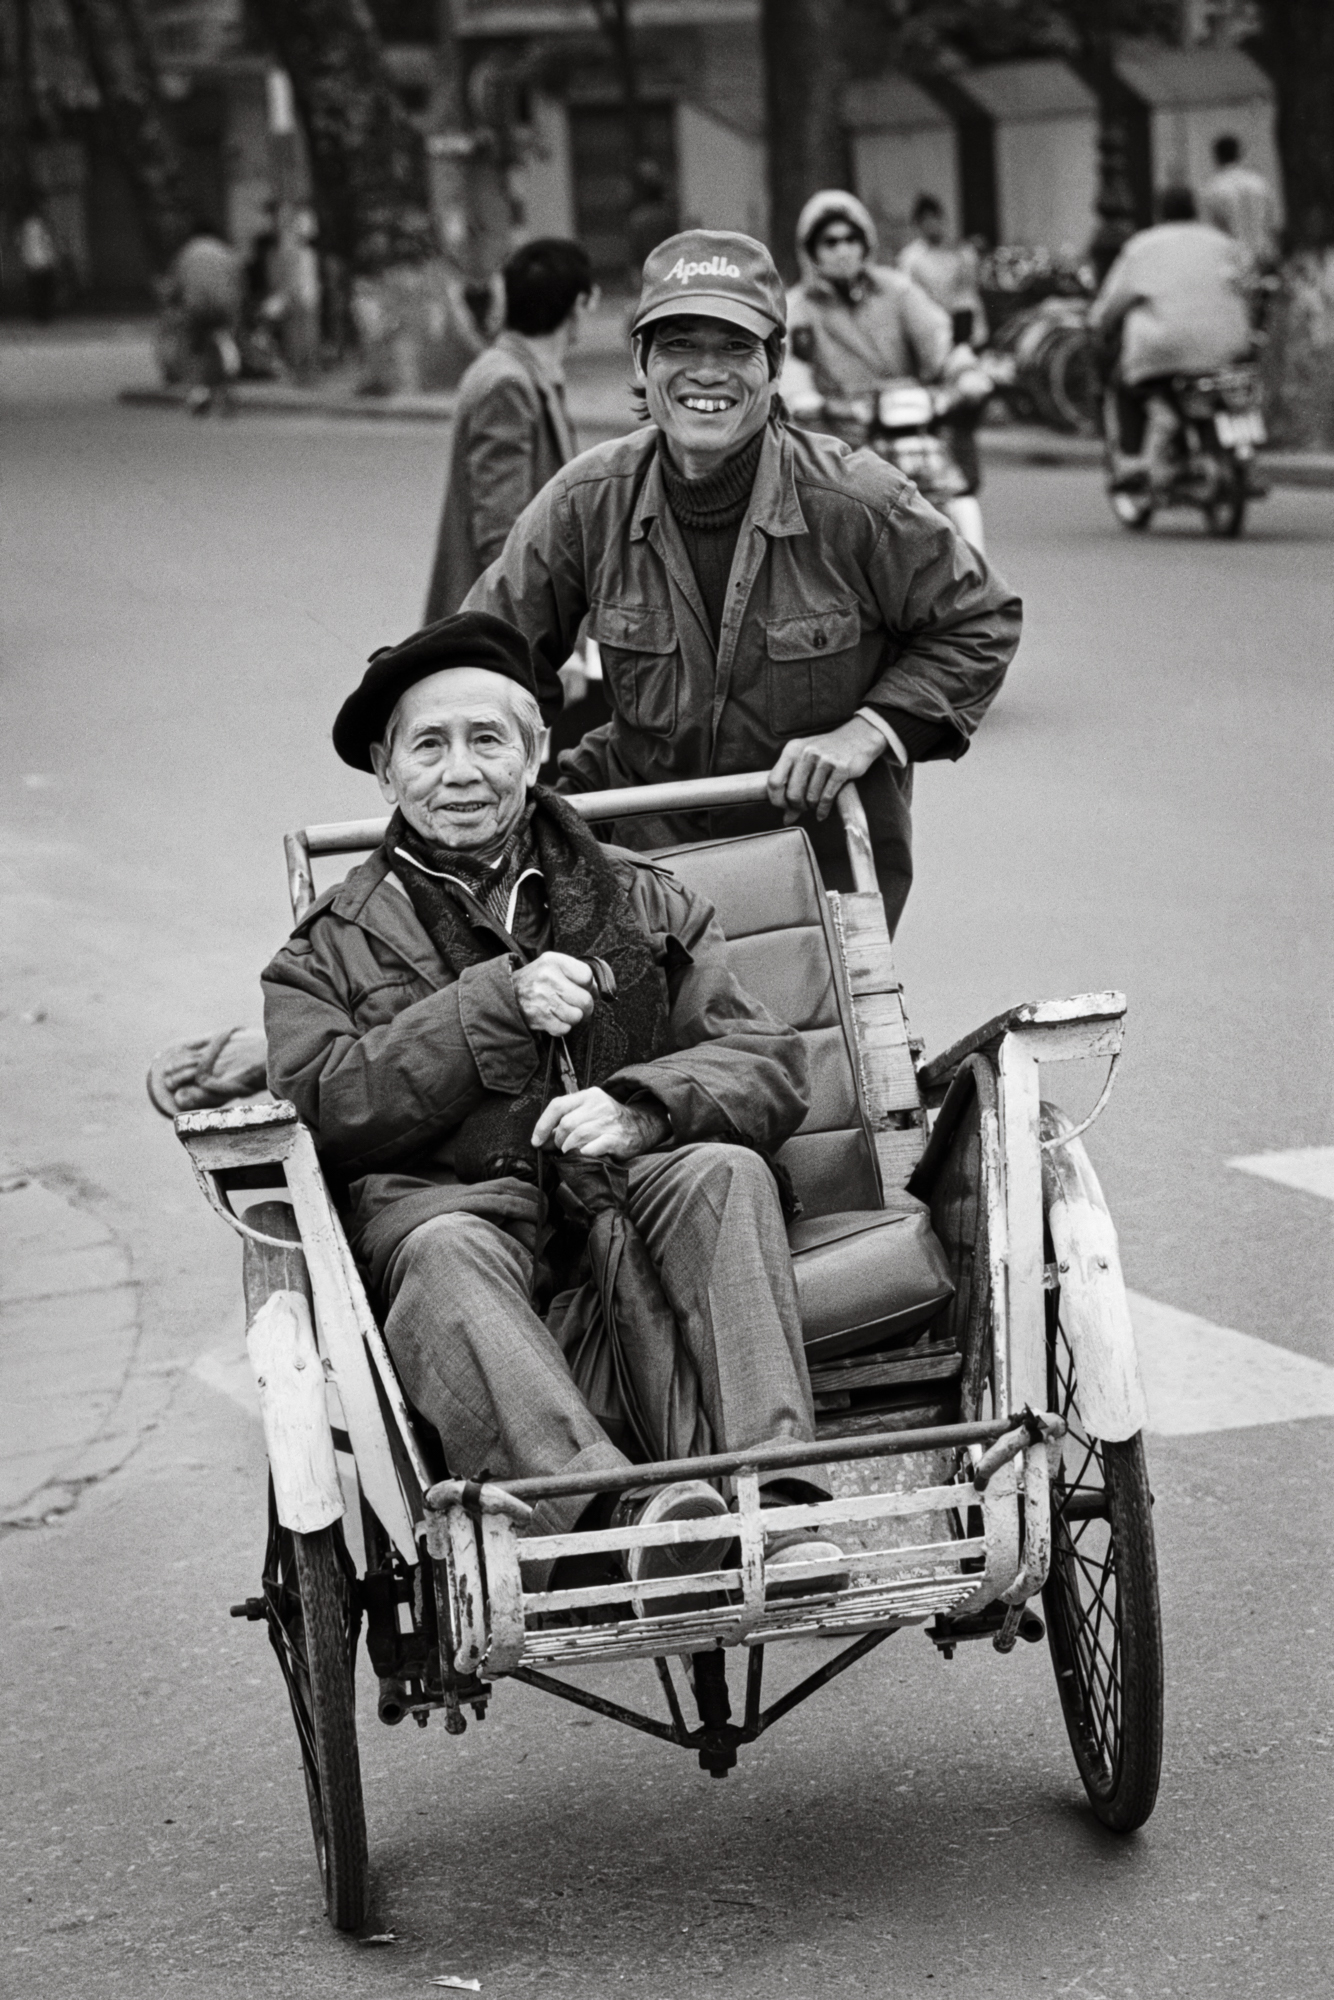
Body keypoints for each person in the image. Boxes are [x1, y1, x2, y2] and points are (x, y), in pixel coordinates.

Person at [261, 611, 845, 1597]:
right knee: (439, 1247)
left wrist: (640, 1107)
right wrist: (492, 1001)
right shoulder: (322, 951)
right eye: (428, 745)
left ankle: (777, 1507)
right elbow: (324, 1105)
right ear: (383, 768)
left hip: (631, 1200)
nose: (459, 770)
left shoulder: (643, 900)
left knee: (721, 1167)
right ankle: (624, 1524)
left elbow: (763, 1058)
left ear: (533, 752)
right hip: (469, 1236)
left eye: (487, 739)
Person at [465, 227, 1020, 937]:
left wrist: (866, 731)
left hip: (816, 866)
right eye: (679, 345)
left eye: (735, 347)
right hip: (645, 863)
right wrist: (488, 759)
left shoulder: (855, 503)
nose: (707, 372)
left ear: (777, 360)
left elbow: (982, 619)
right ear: (641, 358)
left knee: (804, 1041)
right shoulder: (586, 502)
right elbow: (488, 648)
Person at [424, 237, 596, 622]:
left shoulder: (524, 373)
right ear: (578, 306)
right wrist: (538, 635)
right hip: (499, 632)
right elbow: (502, 535)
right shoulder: (508, 384)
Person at [1089, 185, 1252, 492]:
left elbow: (1111, 303)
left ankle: (1133, 462)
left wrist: (1098, 323)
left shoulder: (1142, 246)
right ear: (1195, 209)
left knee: (1125, 385)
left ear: (1159, 212)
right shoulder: (1224, 244)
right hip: (1227, 347)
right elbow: (1247, 286)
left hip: (1166, 351)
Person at [780, 190, 954, 432]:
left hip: (908, 421)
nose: (843, 251)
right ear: (811, 251)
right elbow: (791, 366)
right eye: (830, 242)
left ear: (865, 244)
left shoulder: (896, 289)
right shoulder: (798, 308)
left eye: (851, 239)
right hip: (837, 433)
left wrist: (962, 370)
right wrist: (801, 398)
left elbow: (936, 337)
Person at [166, 220, 243, 414]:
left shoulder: (187, 253)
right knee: (225, 344)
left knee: (197, 352)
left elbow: (176, 284)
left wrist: (174, 304)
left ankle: (199, 395)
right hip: (222, 307)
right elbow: (238, 280)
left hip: (196, 308)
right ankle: (226, 391)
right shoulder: (225, 251)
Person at [897, 193, 988, 349]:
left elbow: (972, 285)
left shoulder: (962, 251)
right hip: (932, 331)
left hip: (967, 330)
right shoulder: (910, 258)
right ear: (918, 225)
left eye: (934, 218)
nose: (931, 224)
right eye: (925, 220)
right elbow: (907, 296)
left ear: (942, 219)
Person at [1202, 135, 1280, 274]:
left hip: (1234, 260)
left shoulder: (1214, 188)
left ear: (1216, 156)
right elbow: (1273, 223)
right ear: (1239, 153)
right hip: (1264, 257)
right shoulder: (1259, 182)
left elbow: (1214, 230)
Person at [18, 205, 59, 324]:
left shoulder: (26, 225)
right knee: (44, 290)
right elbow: (47, 242)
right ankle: (43, 315)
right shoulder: (40, 224)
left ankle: (39, 315)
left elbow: (22, 243)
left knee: (37, 290)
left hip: (33, 261)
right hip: (42, 261)